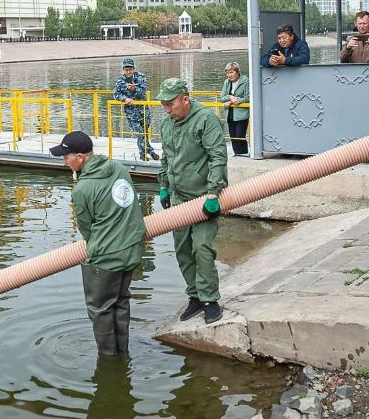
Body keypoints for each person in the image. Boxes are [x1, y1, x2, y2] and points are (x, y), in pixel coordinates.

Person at [50, 130, 145, 356]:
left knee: (100, 309)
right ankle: (123, 352)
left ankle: (108, 360)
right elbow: (130, 204)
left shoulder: (82, 189)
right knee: (121, 302)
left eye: (66, 157)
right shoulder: (120, 169)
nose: (64, 162)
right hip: (132, 250)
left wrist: (98, 246)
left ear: (81, 157)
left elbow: (86, 229)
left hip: (106, 259)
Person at [156, 77, 229, 324]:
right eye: (163, 104)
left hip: (203, 196)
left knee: (202, 248)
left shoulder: (205, 120)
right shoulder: (167, 125)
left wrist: (212, 193)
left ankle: (210, 300)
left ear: (185, 99)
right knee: (183, 250)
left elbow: (217, 156)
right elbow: (165, 158)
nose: (167, 109)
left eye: (170, 104)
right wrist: (164, 186)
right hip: (179, 197)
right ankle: (195, 296)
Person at [113, 57, 158, 160]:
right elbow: (116, 95)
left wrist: (134, 89)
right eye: (126, 69)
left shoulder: (141, 77)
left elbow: (143, 93)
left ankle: (146, 151)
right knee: (140, 133)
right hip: (131, 111)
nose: (128, 72)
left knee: (145, 131)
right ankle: (146, 152)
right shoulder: (120, 81)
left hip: (143, 109)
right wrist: (125, 99)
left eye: (130, 69)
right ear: (123, 70)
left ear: (134, 69)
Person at [218, 62, 250, 156]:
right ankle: (237, 154)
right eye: (227, 73)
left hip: (241, 113)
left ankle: (244, 153)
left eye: (231, 72)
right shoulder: (226, 82)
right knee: (233, 136)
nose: (229, 75)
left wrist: (232, 101)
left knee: (240, 135)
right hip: (229, 112)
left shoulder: (245, 81)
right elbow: (222, 98)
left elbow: (247, 97)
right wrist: (230, 97)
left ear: (237, 72)